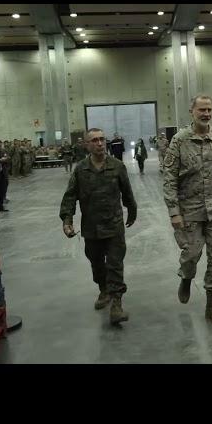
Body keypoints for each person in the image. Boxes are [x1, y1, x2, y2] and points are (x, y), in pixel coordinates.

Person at [163, 94, 212, 326]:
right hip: (190, 212)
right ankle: (186, 277)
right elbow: (169, 178)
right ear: (192, 112)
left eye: (209, 110)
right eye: (201, 110)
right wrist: (174, 212)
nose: (206, 114)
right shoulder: (179, 140)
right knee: (191, 256)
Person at [60, 128, 137, 325]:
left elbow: (127, 192)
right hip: (91, 227)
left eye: (102, 139)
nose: (100, 143)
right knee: (96, 264)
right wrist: (67, 221)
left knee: (115, 264)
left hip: (114, 225)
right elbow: (70, 196)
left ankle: (117, 304)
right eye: (94, 140)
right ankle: (103, 289)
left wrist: (132, 210)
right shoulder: (80, 169)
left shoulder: (117, 166)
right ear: (87, 144)